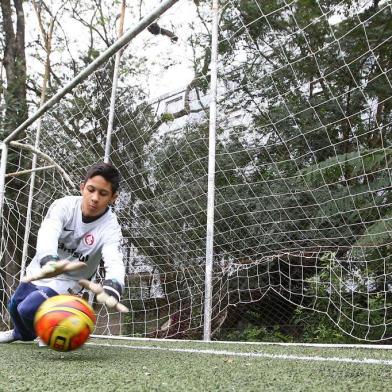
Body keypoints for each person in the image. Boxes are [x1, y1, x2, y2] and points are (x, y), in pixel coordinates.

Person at [0, 162, 125, 343]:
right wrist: (49, 259)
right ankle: (20, 334)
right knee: (15, 306)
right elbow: (48, 231)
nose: (95, 198)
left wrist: (114, 284)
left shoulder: (111, 227)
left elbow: (114, 258)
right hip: (44, 266)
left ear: (114, 197)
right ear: (82, 188)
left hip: (70, 279)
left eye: (103, 193)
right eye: (91, 189)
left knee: (27, 309)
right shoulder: (64, 206)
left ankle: (52, 330)